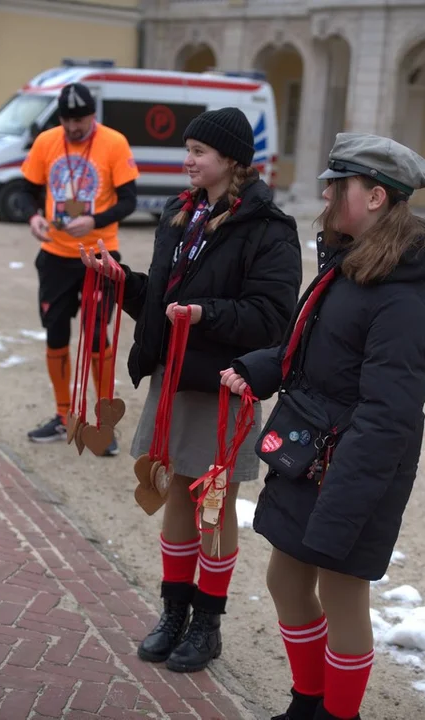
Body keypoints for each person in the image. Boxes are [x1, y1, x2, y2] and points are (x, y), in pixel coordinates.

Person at [221, 133, 425, 720]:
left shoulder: (401, 297)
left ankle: (339, 714)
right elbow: (312, 344)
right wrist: (259, 369)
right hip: (312, 451)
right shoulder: (349, 262)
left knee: (341, 589)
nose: (326, 193)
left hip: (354, 466)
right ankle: (308, 702)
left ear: (376, 196)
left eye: (339, 185)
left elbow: (389, 415)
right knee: (286, 578)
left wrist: (342, 505)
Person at [81, 106, 302, 672]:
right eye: (189, 149)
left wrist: (207, 316)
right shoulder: (181, 215)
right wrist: (124, 282)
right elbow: (164, 296)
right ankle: (173, 612)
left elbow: (275, 318)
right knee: (178, 492)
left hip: (223, 383)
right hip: (174, 376)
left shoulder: (269, 229)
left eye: (200, 152)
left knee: (213, 502)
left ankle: (208, 622)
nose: (189, 160)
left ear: (231, 160)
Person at [21, 82, 139, 454]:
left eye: (81, 120)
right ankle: (61, 416)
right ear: (60, 118)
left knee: (95, 334)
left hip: (99, 255)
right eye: (68, 121)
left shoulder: (114, 143)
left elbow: (130, 201)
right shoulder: (46, 142)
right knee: (56, 331)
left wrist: (95, 220)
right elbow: (27, 190)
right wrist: (33, 217)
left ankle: (103, 426)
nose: (74, 128)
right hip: (55, 254)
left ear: (93, 115)